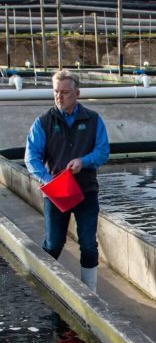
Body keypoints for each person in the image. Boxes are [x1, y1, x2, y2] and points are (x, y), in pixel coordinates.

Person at [25, 68, 110, 292]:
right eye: (56, 92)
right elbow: (31, 156)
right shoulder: (43, 122)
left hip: (86, 190)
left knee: (89, 245)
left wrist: (83, 161)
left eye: (65, 92)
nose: (59, 97)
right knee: (53, 244)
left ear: (77, 93)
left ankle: (90, 293)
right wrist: (47, 180)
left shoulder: (93, 120)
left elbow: (103, 151)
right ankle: (43, 287)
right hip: (57, 193)